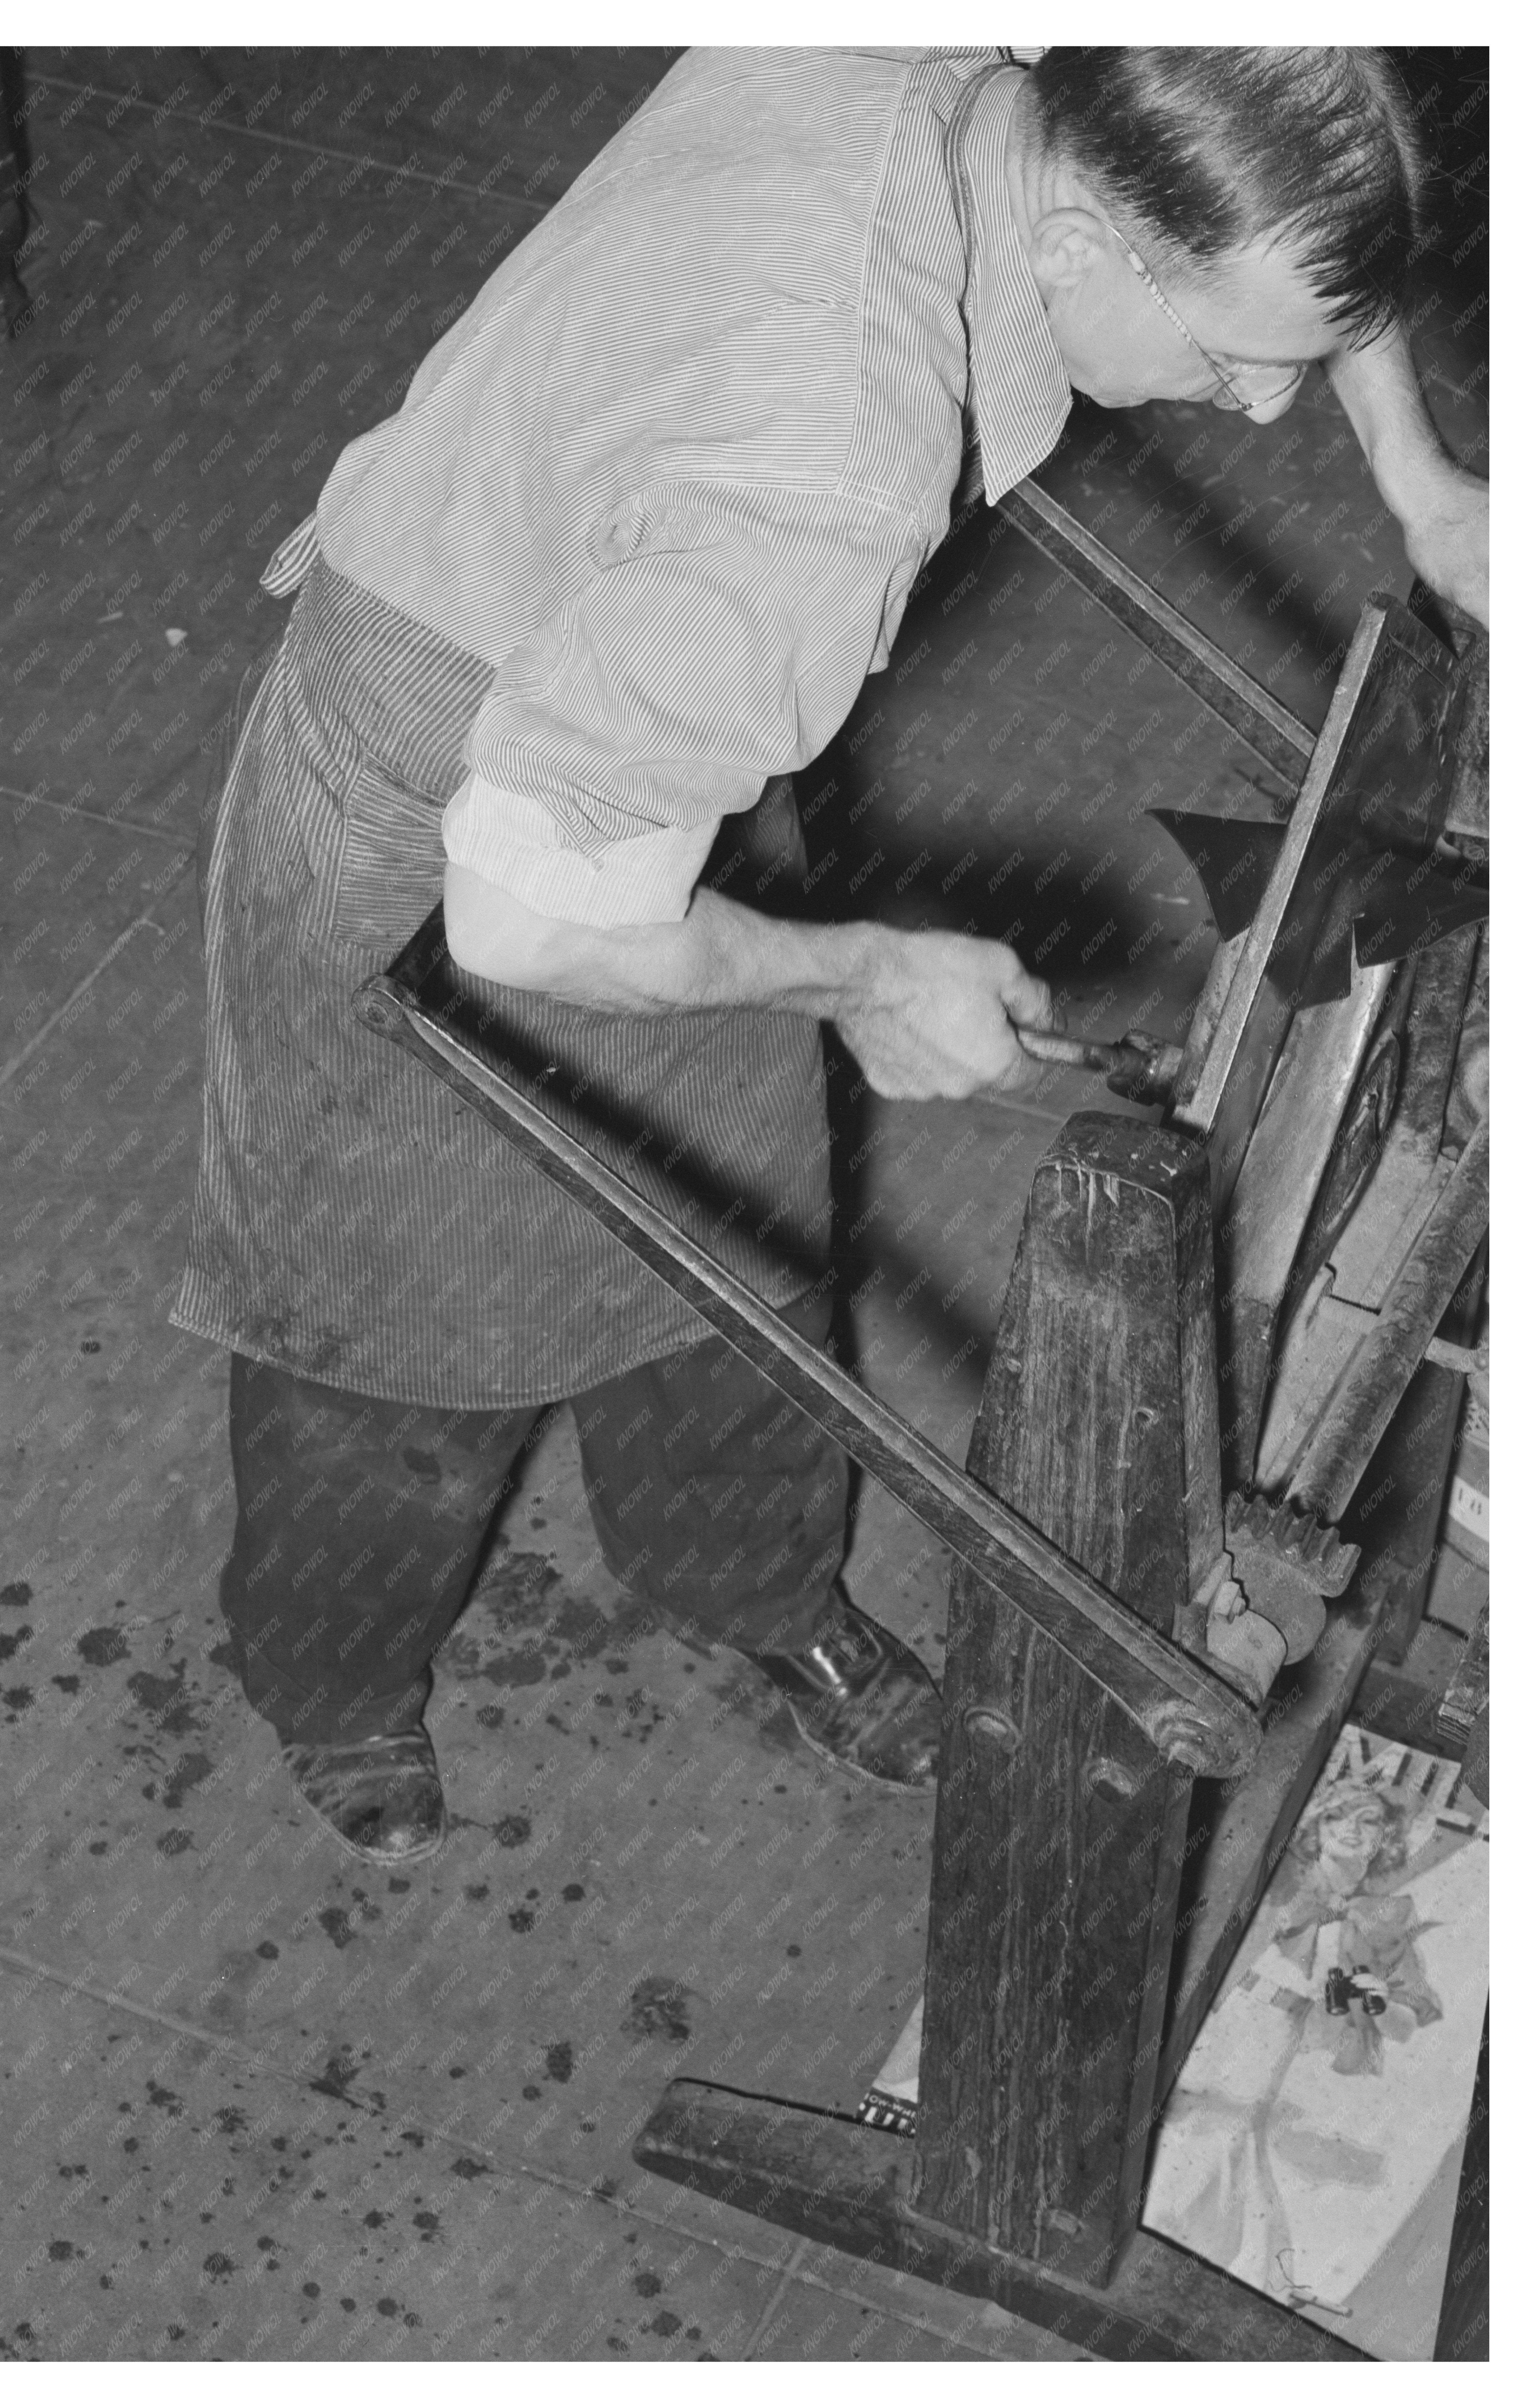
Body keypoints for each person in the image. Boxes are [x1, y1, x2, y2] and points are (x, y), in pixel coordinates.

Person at [174, 47, 1487, 1865]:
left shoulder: (968, 60)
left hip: (659, 735)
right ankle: (333, 1681)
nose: (1261, 409)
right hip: (431, 794)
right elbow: (532, 916)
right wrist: (866, 976)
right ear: (1088, 231)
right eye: (1226, 351)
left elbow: (1297, 148)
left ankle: (751, 1584)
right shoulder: (827, 467)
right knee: (395, 1344)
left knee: (744, 1235)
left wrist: (1421, 480)